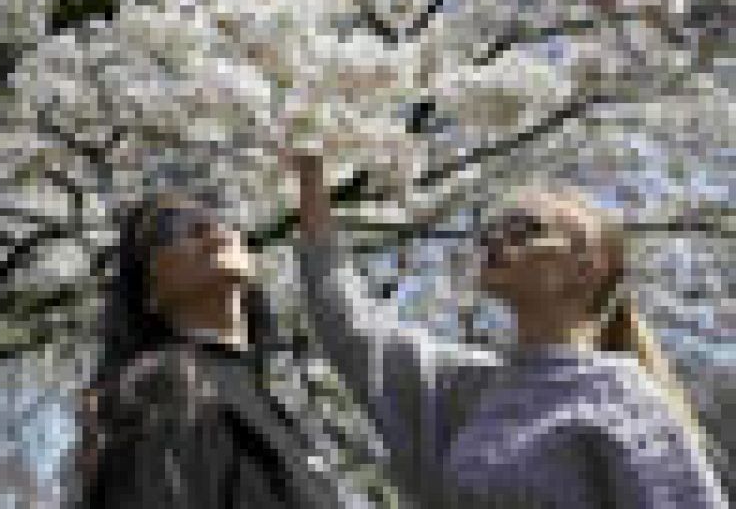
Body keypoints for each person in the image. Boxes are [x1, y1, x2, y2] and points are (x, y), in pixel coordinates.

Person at [287, 151, 730, 509]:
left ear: (587, 267)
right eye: (494, 231)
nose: (498, 241)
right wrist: (312, 174)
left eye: (525, 230)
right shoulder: (472, 387)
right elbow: (351, 329)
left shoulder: (623, 398)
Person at [68, 164, 341, 508]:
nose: (209, 225)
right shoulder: (157, 390)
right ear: (148, 293)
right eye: (172, 227)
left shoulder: (273, 406)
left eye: (220, 211)